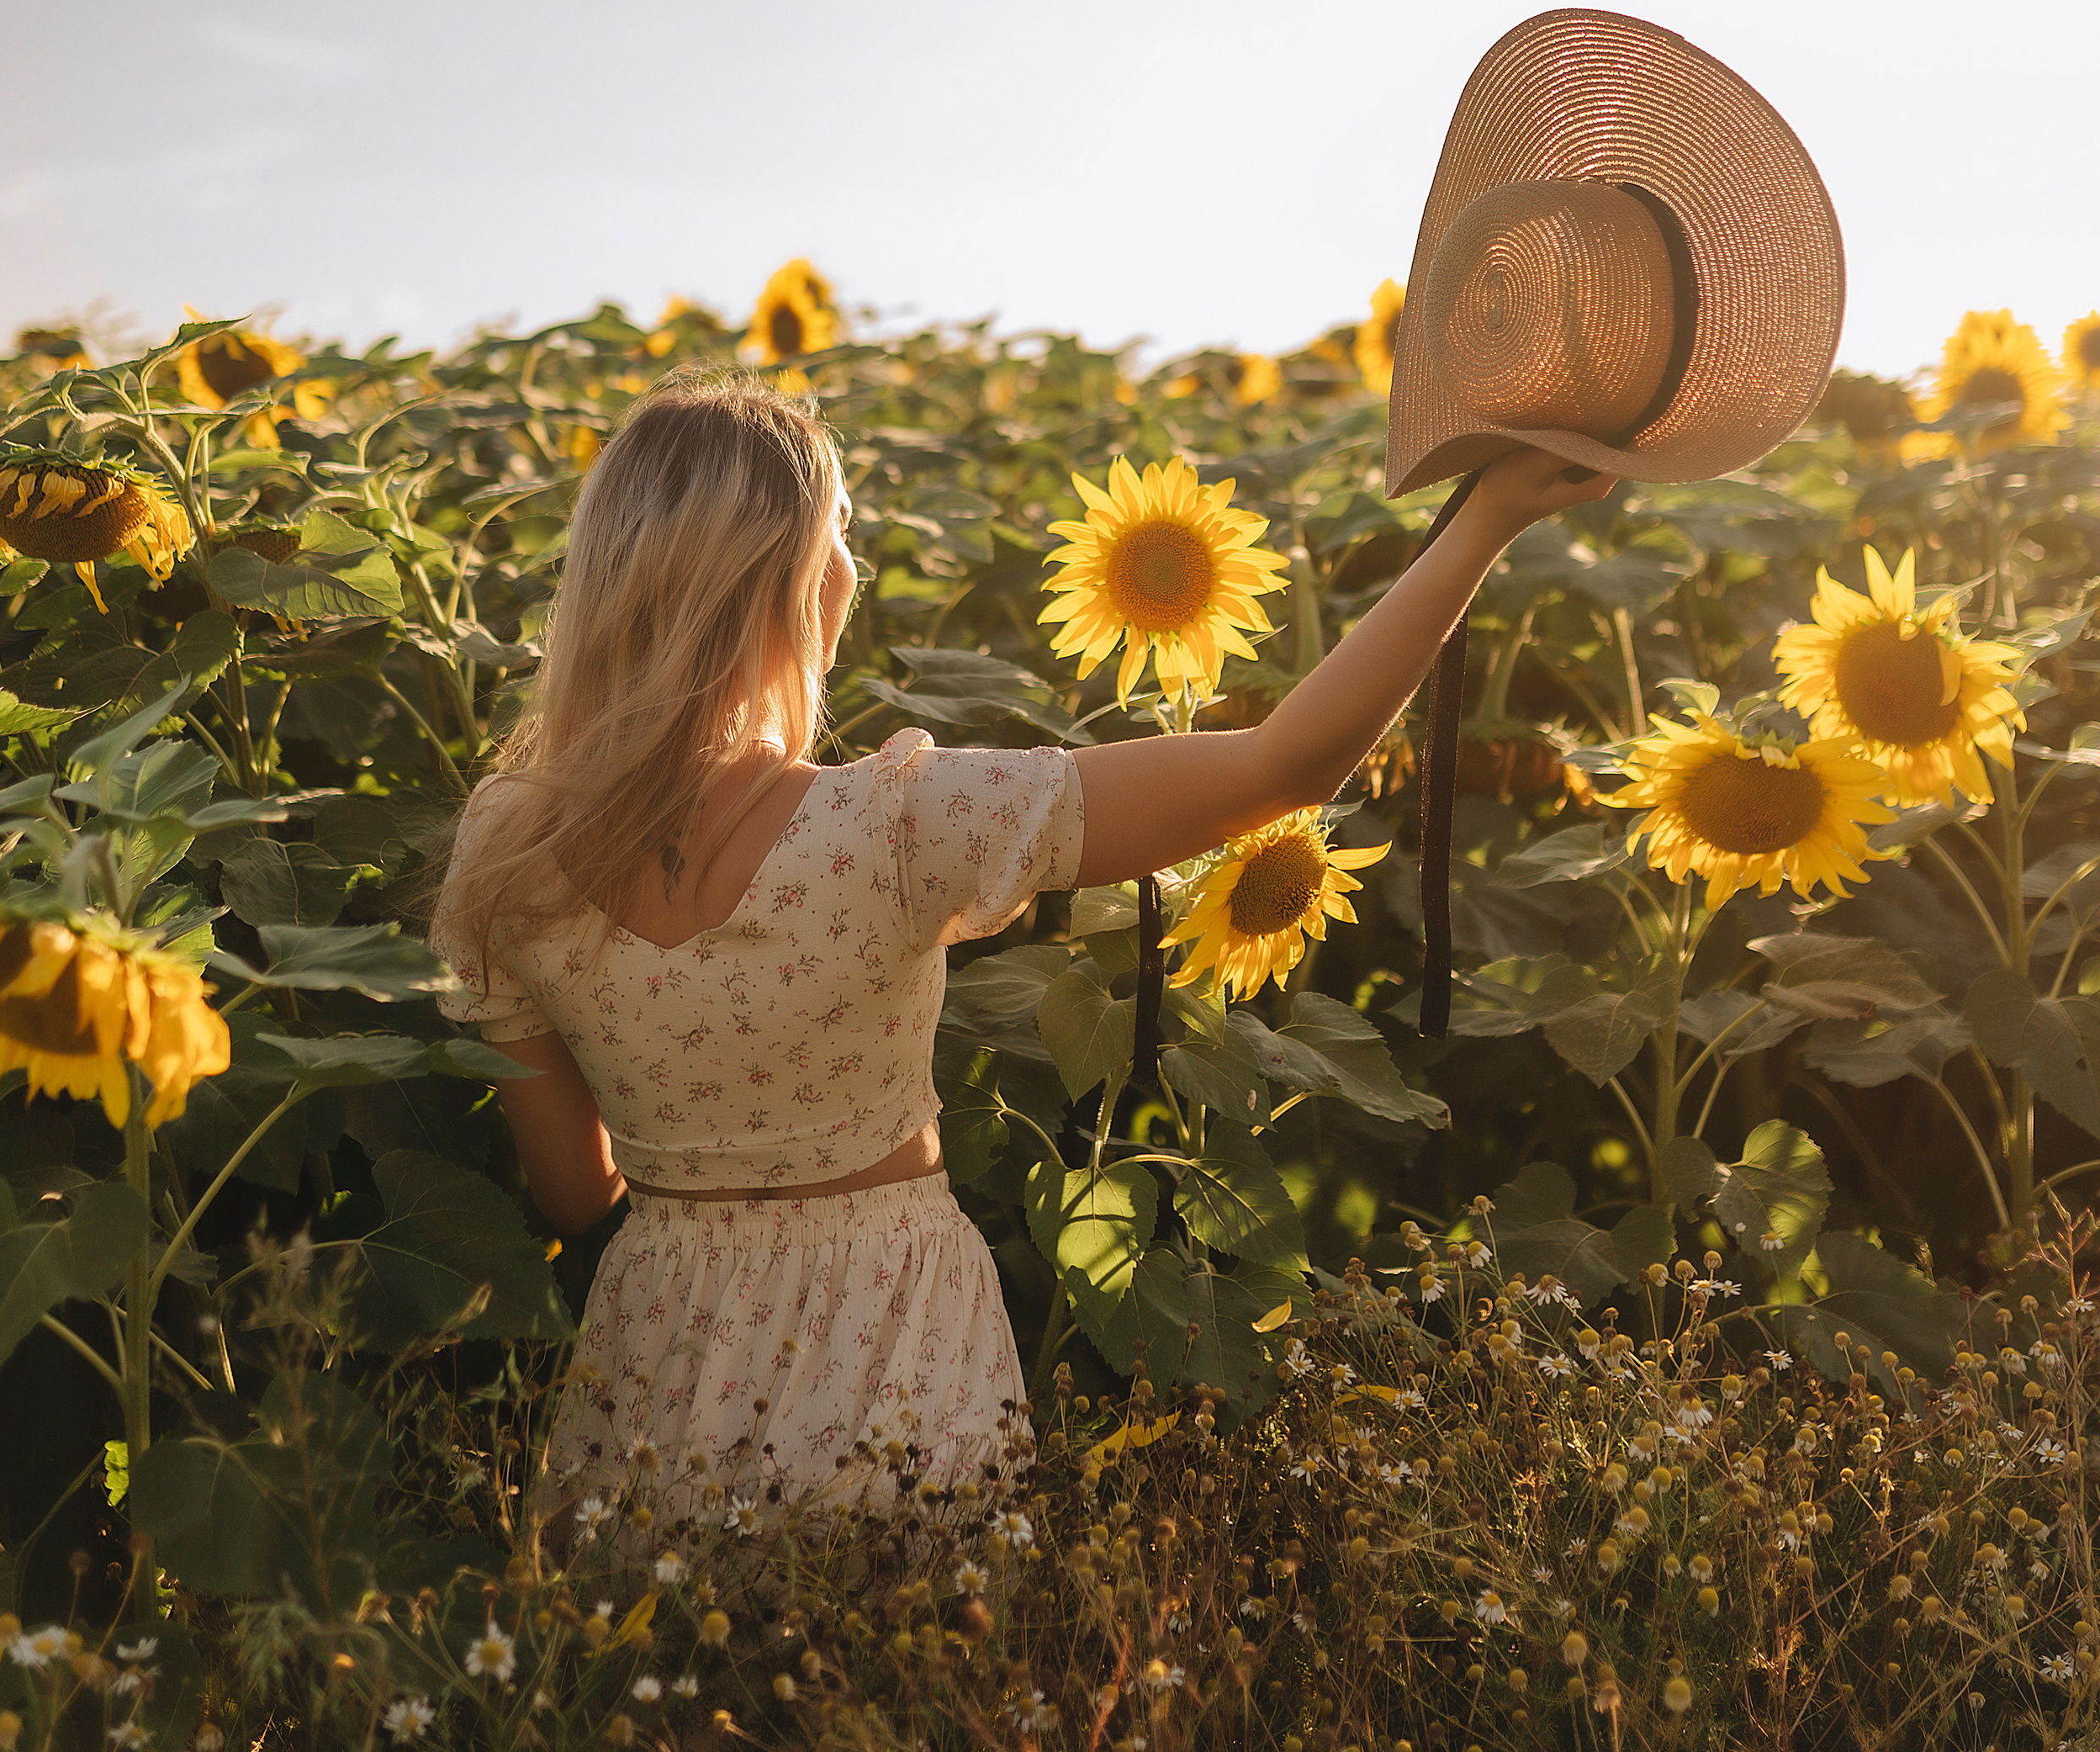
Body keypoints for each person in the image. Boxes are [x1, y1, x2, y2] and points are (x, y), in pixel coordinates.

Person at [430, 376, 1600, 1532]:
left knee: (658, 1694)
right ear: (798, 583)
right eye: (840, 543)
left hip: (662, 1354)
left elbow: (576, 1191)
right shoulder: (893, 825)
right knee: (913, 1686)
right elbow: (1283, 767)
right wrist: (1486, 518)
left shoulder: (506, 854)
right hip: (889, 1332)